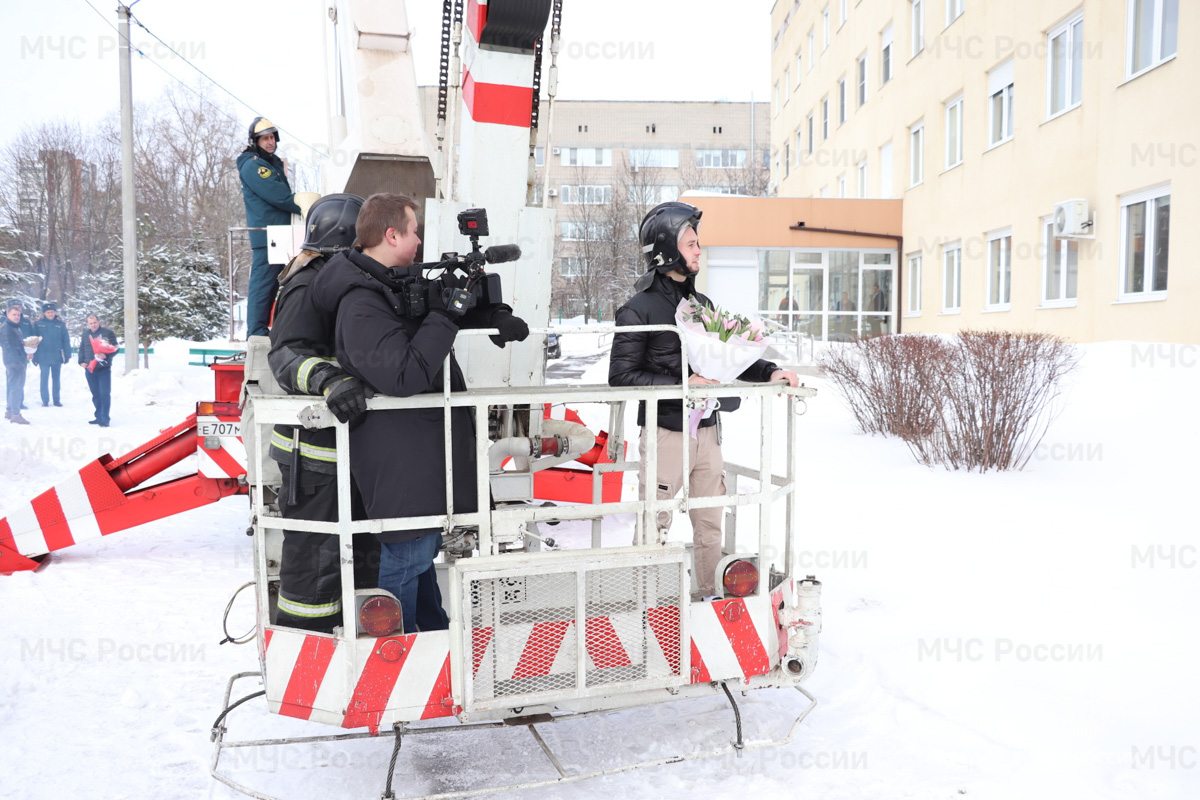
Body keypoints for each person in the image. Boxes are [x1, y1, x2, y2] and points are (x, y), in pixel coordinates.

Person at [310, 193, 528, 634]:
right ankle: (394, 655)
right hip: (400, 461)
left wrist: (493, 314)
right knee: (407, 559)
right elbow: (405, 374)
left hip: (418, 457)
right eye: (413, 231)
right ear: (391, 235)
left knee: (419, 556)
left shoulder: (388, 284)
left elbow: (430, 314)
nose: (418, 241)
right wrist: (448, 316)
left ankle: (431, 639)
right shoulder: (361, 303)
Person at [608, 201, 799, 600]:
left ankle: (712, 595)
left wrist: (769, 372)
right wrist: (684, 381)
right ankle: (644, 601)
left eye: (698, 243)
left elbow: (730, 359)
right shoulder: (638, 310)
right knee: (654, 520)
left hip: (709, 431)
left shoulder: (701, 307)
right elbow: (621, 377)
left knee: (711, 521)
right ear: (667, 250)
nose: (699, 251)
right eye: (692, 244)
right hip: (666, 433)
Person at [267, 193, 382, 633]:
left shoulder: (343, 277)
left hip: (349, 451)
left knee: (360, 557)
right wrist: (329, 381)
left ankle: (358, 649)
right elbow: (287, 355)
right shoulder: (308, 281)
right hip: (313, 455)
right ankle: (305, 652)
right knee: (315, 564)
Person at [238, 116, 301, 338]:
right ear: (255, 141)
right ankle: (256, 335)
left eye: (272, 137)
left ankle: (266, 333)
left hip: (279, 233)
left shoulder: (269, 163)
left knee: (273, 288)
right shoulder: (255, 165)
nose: (270, 142)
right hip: (269, 236)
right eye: (265, 138)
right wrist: (306, 205)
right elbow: (279, 196)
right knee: (263, 289)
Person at [78, 314, 117, 427]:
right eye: (90, 323)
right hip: (90, 368)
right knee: (95, 394)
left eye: (95, 322)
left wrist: (106, 356)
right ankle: (98, 416)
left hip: (103, 368)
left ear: (98, 322)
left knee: (104, 393)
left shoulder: (107, 333)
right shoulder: (86, 334)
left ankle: (105, 418)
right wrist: (81, 361)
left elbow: (115, 348)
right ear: (87, 324)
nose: (93, 325)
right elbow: (82, 349)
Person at [32, 301, 70, 407]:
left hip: (56, 356)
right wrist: (34, 356)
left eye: (52, 312)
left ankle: (56, 400)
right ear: (44, 313)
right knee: (44, 379)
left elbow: (65, 340)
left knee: (56, 379)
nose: (50, 314)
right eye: (48, 312)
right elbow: (33, 341)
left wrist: (67, 355)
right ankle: (45, 400)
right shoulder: (38, 324)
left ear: (55, 313)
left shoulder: (60, 325)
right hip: (43, 356)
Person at [2, 300, 30, 424]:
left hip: (14, 361)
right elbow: (9, 347)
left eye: (18, 315)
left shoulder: (13, 326)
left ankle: (9, 411)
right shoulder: (7, 328)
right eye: (14, 314)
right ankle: (16, 414)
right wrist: (20, 360)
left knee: (14, 387)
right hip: (14, 362)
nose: (17, 317)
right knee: (17, 388)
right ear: (8, 315)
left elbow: (16, 344)